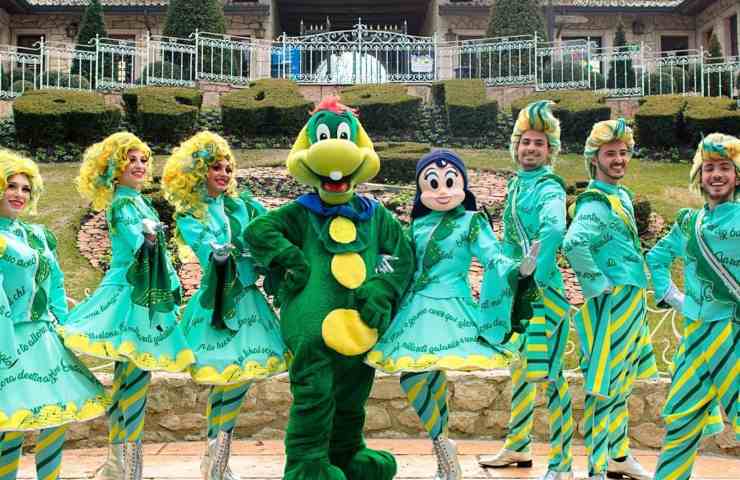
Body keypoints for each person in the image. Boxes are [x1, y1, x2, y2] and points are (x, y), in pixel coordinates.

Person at [245, 97, 414, 480]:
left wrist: (381, 289)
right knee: (314, 397)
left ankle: (347, 453)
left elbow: (401, 255)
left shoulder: (375, 215)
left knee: (354, 396)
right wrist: (291, 257)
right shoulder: (301, 212)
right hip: (310, 327)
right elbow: (258, 231)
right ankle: (306, 464)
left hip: (359, 326)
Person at [367, 149, 538, 480]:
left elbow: (493, 256)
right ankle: (444, 447)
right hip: (415, 310)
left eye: (450, 182)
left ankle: (444, 456)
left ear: (463, 184)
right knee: (417, 377)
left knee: (429, 376)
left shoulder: (472, 222)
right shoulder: (416, 225)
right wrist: (378, 263)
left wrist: (518, 270)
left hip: (451, 308)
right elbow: (403, 263)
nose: (442, 191)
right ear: (421, 189)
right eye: (433, 183)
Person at [59, 132, 195, 480]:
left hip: (147, 291)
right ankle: (129, 468)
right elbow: (141, 249)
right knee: (134, 380)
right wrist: (150, 238)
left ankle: (117, 465)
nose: (138, 165)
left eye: (142, 160)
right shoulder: (122, 204)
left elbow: (156, 251)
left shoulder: (139, 202)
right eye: (129, 160)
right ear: (112, 169)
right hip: (131, 294)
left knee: (129, 382)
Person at [162, 131, 290, 480]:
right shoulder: (191, 212)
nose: (224, 173)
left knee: (238, 380)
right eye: (215, 167)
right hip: (219, 301)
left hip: (249, 298)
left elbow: (268, 234)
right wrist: (227, 252)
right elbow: (208, 250)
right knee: (227, 379)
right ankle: (216, 461)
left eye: (228, 168)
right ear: (198, 172)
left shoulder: (243, 205)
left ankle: (215, 459)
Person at [479, 101, 573, 480]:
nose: (531, 149)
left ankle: (562, 462)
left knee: (551, 376)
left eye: (539, 144)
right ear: (516, 147)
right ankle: (518, 447)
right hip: (521, 291)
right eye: (525, 143)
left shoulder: (549, 186)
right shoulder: (519, 183)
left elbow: (553, 228)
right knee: (521, 370)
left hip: (543, 294)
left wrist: (535, 265)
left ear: (550, 150)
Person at [0, 149, 108, 480]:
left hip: (45, 341)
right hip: (10, 340)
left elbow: (56, 285)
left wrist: (66, 323)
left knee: (55, 420)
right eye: (11, 186)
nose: (19, 194)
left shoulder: (37, 235)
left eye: (25, 188)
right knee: (10, 423)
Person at [562, 119, 655, 480]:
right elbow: (573, 243)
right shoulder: (597, 202)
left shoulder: (622, 196)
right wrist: (596, 284)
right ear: (594, 158)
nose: (618, 159)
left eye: (622, 152)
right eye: (610, 154)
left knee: (623, 383)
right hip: (614, 304)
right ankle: (598, 467)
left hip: (632, 301)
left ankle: (618, 455)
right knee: (606, 385)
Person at [646, 133, 739, 480]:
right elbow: (656, 258)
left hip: (734, 336)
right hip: (695, 340)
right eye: (709, 168)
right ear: (699, 176)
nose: (716, 175)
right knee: (682, 421)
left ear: (737, 175)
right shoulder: (688, 222)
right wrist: (673, 296)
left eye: (725, 168)